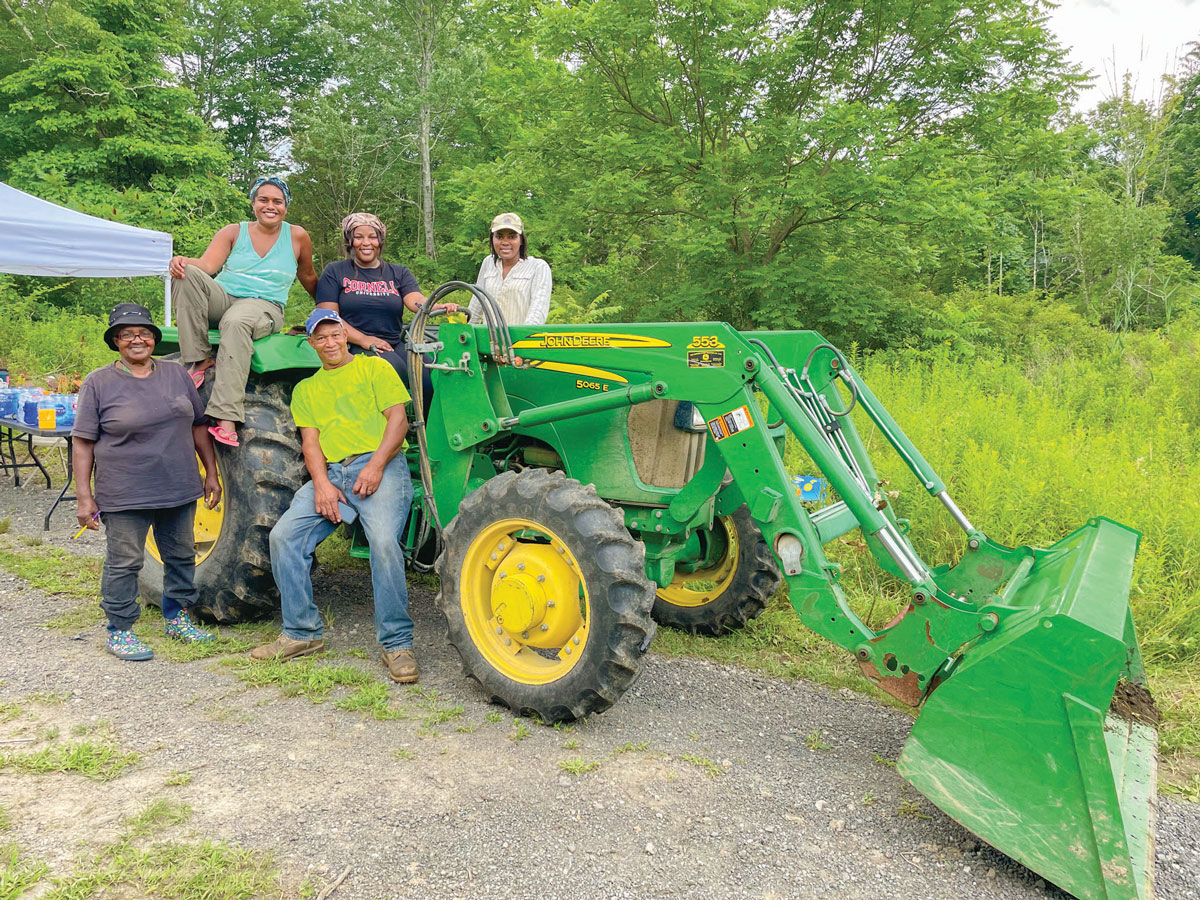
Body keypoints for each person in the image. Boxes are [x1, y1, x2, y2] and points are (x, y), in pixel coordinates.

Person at [249, 309, 418, 683]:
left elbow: (398, 420)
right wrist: (322, 485)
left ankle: (397, 644)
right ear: (312, 344)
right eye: (321, 338)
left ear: (345, 335)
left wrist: (375, 466)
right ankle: (301, 633)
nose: (329, 343)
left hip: (380, 466)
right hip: (333, 474)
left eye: (335, 335)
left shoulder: (375, 369)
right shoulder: (307, 389)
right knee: (283, 537)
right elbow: (310, 444)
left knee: (385, 544)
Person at [73, 304, 223, 661]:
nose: (137, 339)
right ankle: (120, 630)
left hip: (178, 485)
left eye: (144, 333)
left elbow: (198, 426)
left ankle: (177, 617)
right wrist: (84, 497)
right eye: (127, 334)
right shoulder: (99, 382)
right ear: (116, 342)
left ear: (154, 339)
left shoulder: (175, 374)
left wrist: (212, 473)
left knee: (181, 555)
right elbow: (83, 441)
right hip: (125, 491)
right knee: (124, 561)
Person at [169, 175, 319, 448]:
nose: (270, 206)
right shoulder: (233, 231)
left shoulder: (297, 236)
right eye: (263, 200)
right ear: (253, 203)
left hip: (264, 305)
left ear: (286, 206)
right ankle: (198, 359)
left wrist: (327, 309)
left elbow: (308, 275)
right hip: (224, 297)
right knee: (186, 275)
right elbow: (206, 265)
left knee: (236, 321)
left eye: (277, 201)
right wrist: (182, 261)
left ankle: (226, 416)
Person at [314, 212, 455, 398]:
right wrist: (364, 339)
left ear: (380, 240)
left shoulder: (398, 272)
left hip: (395, 342)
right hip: (356, 344)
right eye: (358, 237)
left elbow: (415, 300)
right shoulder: (335, 271)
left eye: (372, 237)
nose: (366, 243)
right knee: (393, 372)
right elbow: (329, 316)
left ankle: (428, 426)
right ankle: (398, 424)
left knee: (431, 374)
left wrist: (433, 306)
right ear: (350, 241)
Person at [468, 212, 552, 326]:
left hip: (521, 341)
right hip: (489, 341)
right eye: (499, 236)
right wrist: (464, 335)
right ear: (492, 239)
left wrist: (522, 339)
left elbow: (538, 312)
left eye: (512, 237)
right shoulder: (488, 263)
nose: (505, 242)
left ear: (521, 240)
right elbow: (476, 305)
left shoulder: (538, 267)